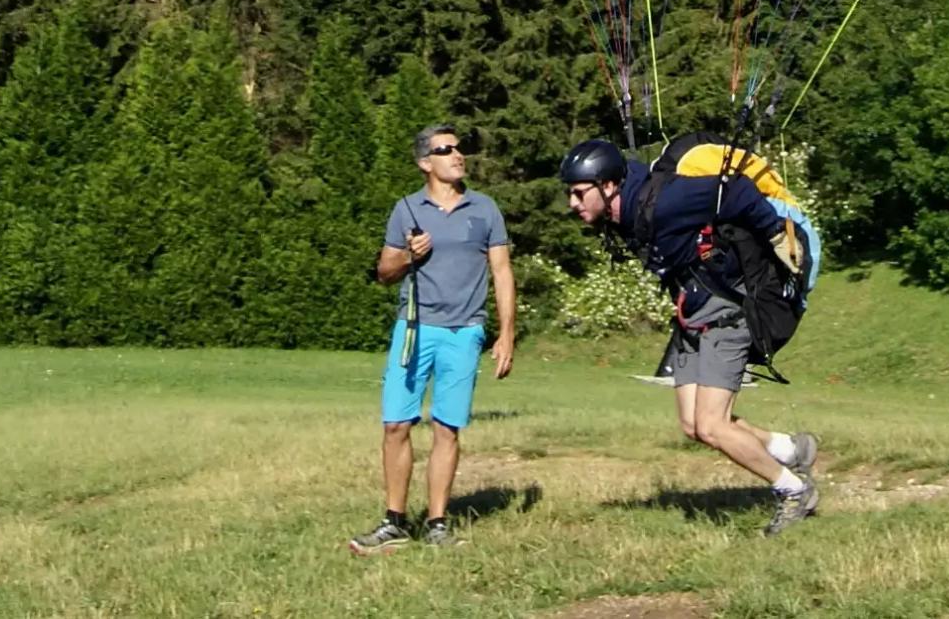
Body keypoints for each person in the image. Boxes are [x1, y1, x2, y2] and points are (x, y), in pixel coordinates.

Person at [557, 138, 822, 534]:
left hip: (727, 312)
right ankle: (790, 448)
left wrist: (777, 236)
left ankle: (794, 490)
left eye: (579, 193)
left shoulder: (666, 201)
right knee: (693, 425)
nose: (573, 203)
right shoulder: (629, 205)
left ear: (608, 186)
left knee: (714, 425)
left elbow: (734, 192)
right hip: (692, 313)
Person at [348, 122, 514, 554]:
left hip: (464, 333)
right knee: (396, 425)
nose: (457, 156)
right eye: (446, 150)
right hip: (414, 330)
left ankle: (437, 522)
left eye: (459, 149)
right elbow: (384, 273)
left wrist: (506, 333)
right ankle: (394, 522)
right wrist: (408, 255)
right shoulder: (407, 209)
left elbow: (502, 272)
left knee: (447, 428)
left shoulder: (485, 209)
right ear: (425, 162)